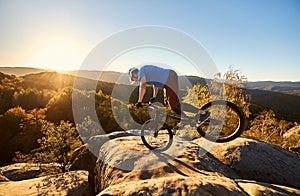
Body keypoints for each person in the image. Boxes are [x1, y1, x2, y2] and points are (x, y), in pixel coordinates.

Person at [128, 65, 210, 122]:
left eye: (133, 79)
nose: (135, 81)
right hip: (167, 81)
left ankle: (202, 113)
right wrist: (154, 97)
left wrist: (139, 101)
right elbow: (155, 85)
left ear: (134, 74)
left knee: (174, 104)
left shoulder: (142, 71)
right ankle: (187, 119)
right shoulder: (146, 75)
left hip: (169, 77)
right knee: (171, 105)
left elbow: (142, 86)